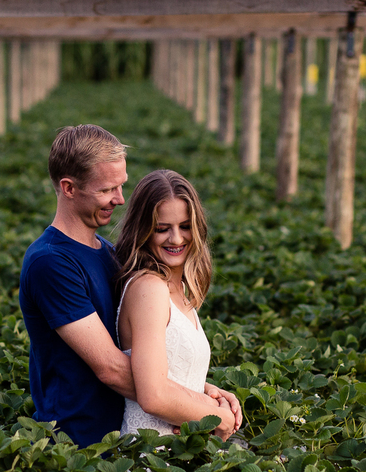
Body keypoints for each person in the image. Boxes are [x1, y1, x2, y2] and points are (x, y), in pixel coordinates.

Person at [19, 125, 240, 446]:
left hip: (122, 432)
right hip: (80, 441)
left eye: (121, 186)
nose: (120, 199)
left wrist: (199, 393)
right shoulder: (51, 262)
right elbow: (110, 366)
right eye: (107, 189)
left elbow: (141, 353)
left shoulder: (109, 253)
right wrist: (197, 410)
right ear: (68, 188)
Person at [114, 169, 240, 438]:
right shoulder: (149, 288)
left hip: (182, 452)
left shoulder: (179, 287)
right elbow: (153, 396)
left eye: (185, 226)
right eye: (162, 229)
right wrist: (220, 418)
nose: (177, 239)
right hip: (151, 455)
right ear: (143, 230)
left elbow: (168, 369)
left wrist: (208, 393)